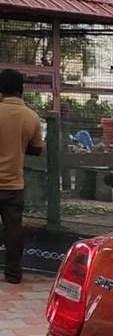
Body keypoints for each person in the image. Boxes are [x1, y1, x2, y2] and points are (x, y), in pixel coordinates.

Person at [0, 69, 44, 284]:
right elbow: (37, 150)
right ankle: (13, 274)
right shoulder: (31, 116)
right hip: (13, 185)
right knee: (13, 230)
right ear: (22, 89)